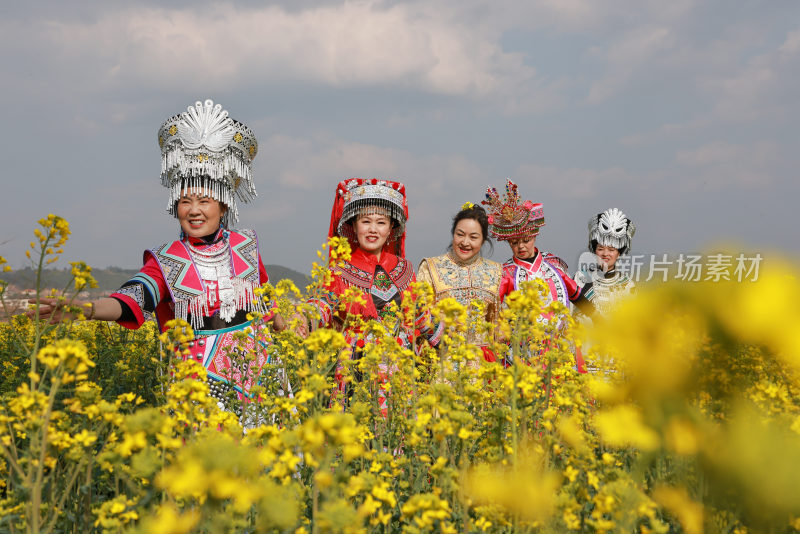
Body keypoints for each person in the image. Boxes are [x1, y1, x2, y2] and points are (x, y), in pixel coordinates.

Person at [35, 99, 285, 408]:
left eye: (205, 201)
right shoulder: (167, 259)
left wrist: (304, 330)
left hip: (261, 377)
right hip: (199, 384)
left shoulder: (246, 245)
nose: (193, 210)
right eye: (185, 201)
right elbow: (132, 299)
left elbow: (268, 305)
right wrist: (86, 310)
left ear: (224, 205)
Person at [301, 178, 441, 411]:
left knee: (396, 435)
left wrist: (450, 343)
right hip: (357, 363)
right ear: (354, 226)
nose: (373, 229)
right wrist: (303, 317)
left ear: (391, 228)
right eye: (366, 221)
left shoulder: (404, 269)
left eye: (381, 222)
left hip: (400, 366)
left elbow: (420, 315)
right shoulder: (340, 270)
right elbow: (324, 303)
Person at [483, 180, 592, 369]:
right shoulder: (506, 273)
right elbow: (491, 305)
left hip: (561, 340)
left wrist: (598, 317)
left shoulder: (554, 264)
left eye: (525, 240)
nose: (521, 246)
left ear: (534, 236)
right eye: (514, 243)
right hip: (526, 345)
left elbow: (574, 293)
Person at [417, 202, 502, 354]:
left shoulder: (496, 271)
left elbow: (496, 326)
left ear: (483, 240)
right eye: (460, 234)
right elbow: (420, 314)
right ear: (453, 233)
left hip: (482, 365)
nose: (465, 242)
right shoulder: (431, 267)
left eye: (473, 237)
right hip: (441, 361)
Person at [574, 208, 636, 316]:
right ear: (594, 251)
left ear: (619, 253)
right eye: (600, 249)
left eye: (611, 250)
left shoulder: (627, 285)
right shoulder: (581, 278)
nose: (605, 254)